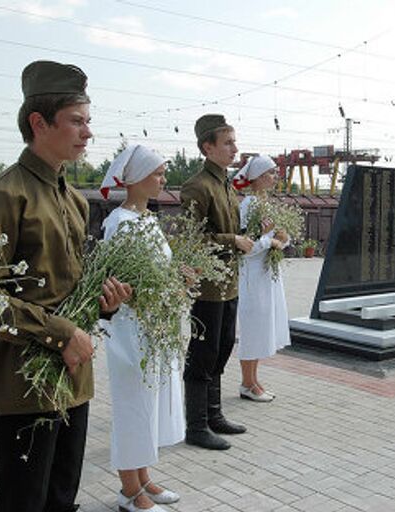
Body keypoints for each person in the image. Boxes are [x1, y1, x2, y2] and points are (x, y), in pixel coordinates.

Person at [0, 60, 132, 512]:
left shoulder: (74, 201)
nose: (88, 133)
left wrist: (104, 304)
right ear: (39, 122)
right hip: (23, 385)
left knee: (62, 499)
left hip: (73, 379)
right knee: (24, 501)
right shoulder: (2, 196)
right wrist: (62, 334)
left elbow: (71, 291)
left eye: (88, 122)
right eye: (77, 121)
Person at [100, 145, 184, 511]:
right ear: (134, 179)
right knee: (132, 404)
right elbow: (116, 280)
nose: (163, 180)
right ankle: (129, 491)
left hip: (152, 325)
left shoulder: (146, 219)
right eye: (158, 173)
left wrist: (178, 277)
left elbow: (154, 270)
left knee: (146, 402)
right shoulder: (118, 221)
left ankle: (143, 477)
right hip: (129, 329)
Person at [180, 114, 253, 450]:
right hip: (208, 287)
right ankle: (196, 426)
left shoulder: (224, 182)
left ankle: (214, 414)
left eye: (234, 142)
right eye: (228, 143)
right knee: (203, 353)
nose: (235, 149)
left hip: (230, 283)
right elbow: (189, 240)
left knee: (223, 347)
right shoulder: (197, 186)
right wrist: (231, 241)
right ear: (207, 147)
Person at [231, 155, 291, 402]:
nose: (274, 177)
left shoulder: (267, 204)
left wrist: (284, 239)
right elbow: (247, 245)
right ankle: (247, 382)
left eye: (275, 173)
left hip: (266, 276)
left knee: (263, 326)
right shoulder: (248, 205)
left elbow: (276, 237)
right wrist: (270, 241)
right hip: (252, 276)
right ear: (256, 177)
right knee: (253, 328)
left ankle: (254, 379)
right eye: (270, 173)